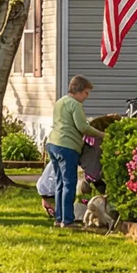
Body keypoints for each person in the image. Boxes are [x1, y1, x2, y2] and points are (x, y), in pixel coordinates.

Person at [47, 75, 105, 228]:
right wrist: (102, 135)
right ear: (79, 91)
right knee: (69, 183)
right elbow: (83, 127)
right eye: (86, 93)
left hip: (53, 144)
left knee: (60, 183)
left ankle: (59, 218)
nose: (87, 96)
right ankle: (67, 221)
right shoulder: (75, 105)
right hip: (67, 147)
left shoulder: (60, 102)